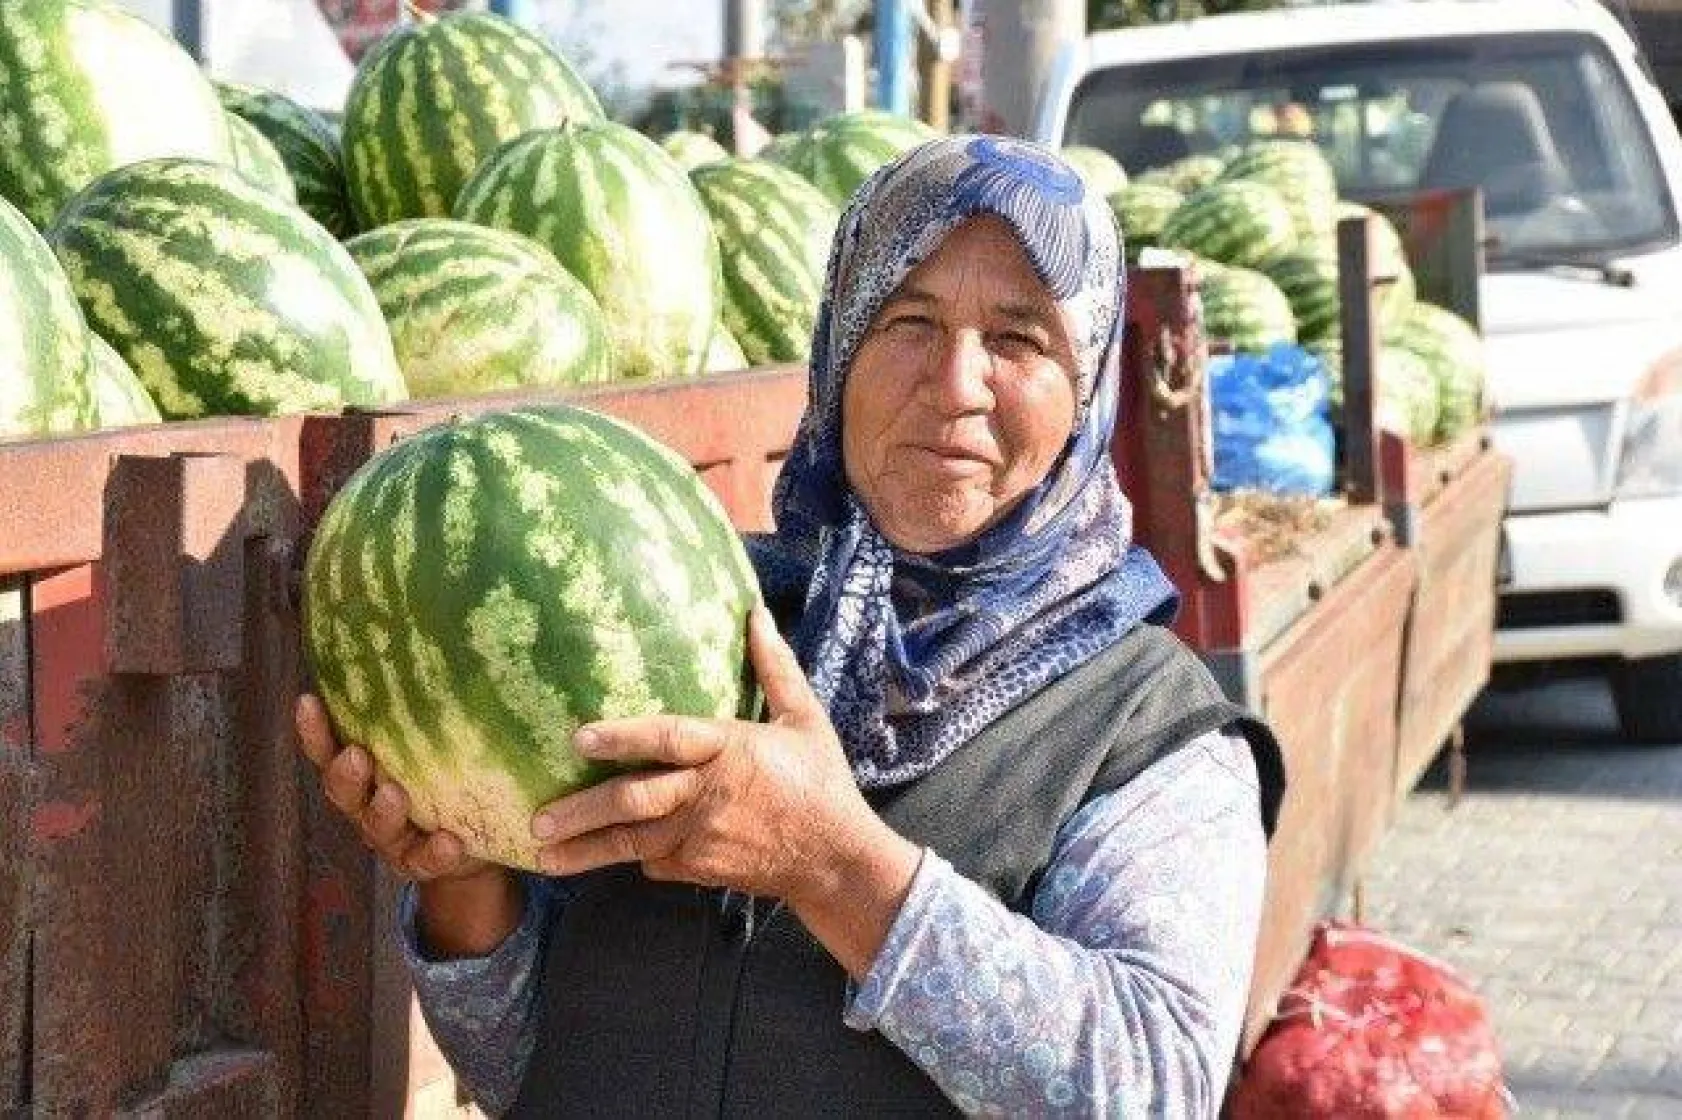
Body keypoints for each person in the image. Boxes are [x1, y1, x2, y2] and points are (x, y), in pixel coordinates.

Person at [295, 134, 1286, 1118]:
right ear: (839, 348)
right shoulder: (707, 614)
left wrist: (833, 864)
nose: (953, 383)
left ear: (1085, 394)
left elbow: (1150, 1089)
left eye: (1018, 338)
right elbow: (522, 1067)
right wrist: (468, 881)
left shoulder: (1148, 732)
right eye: (907, 319)